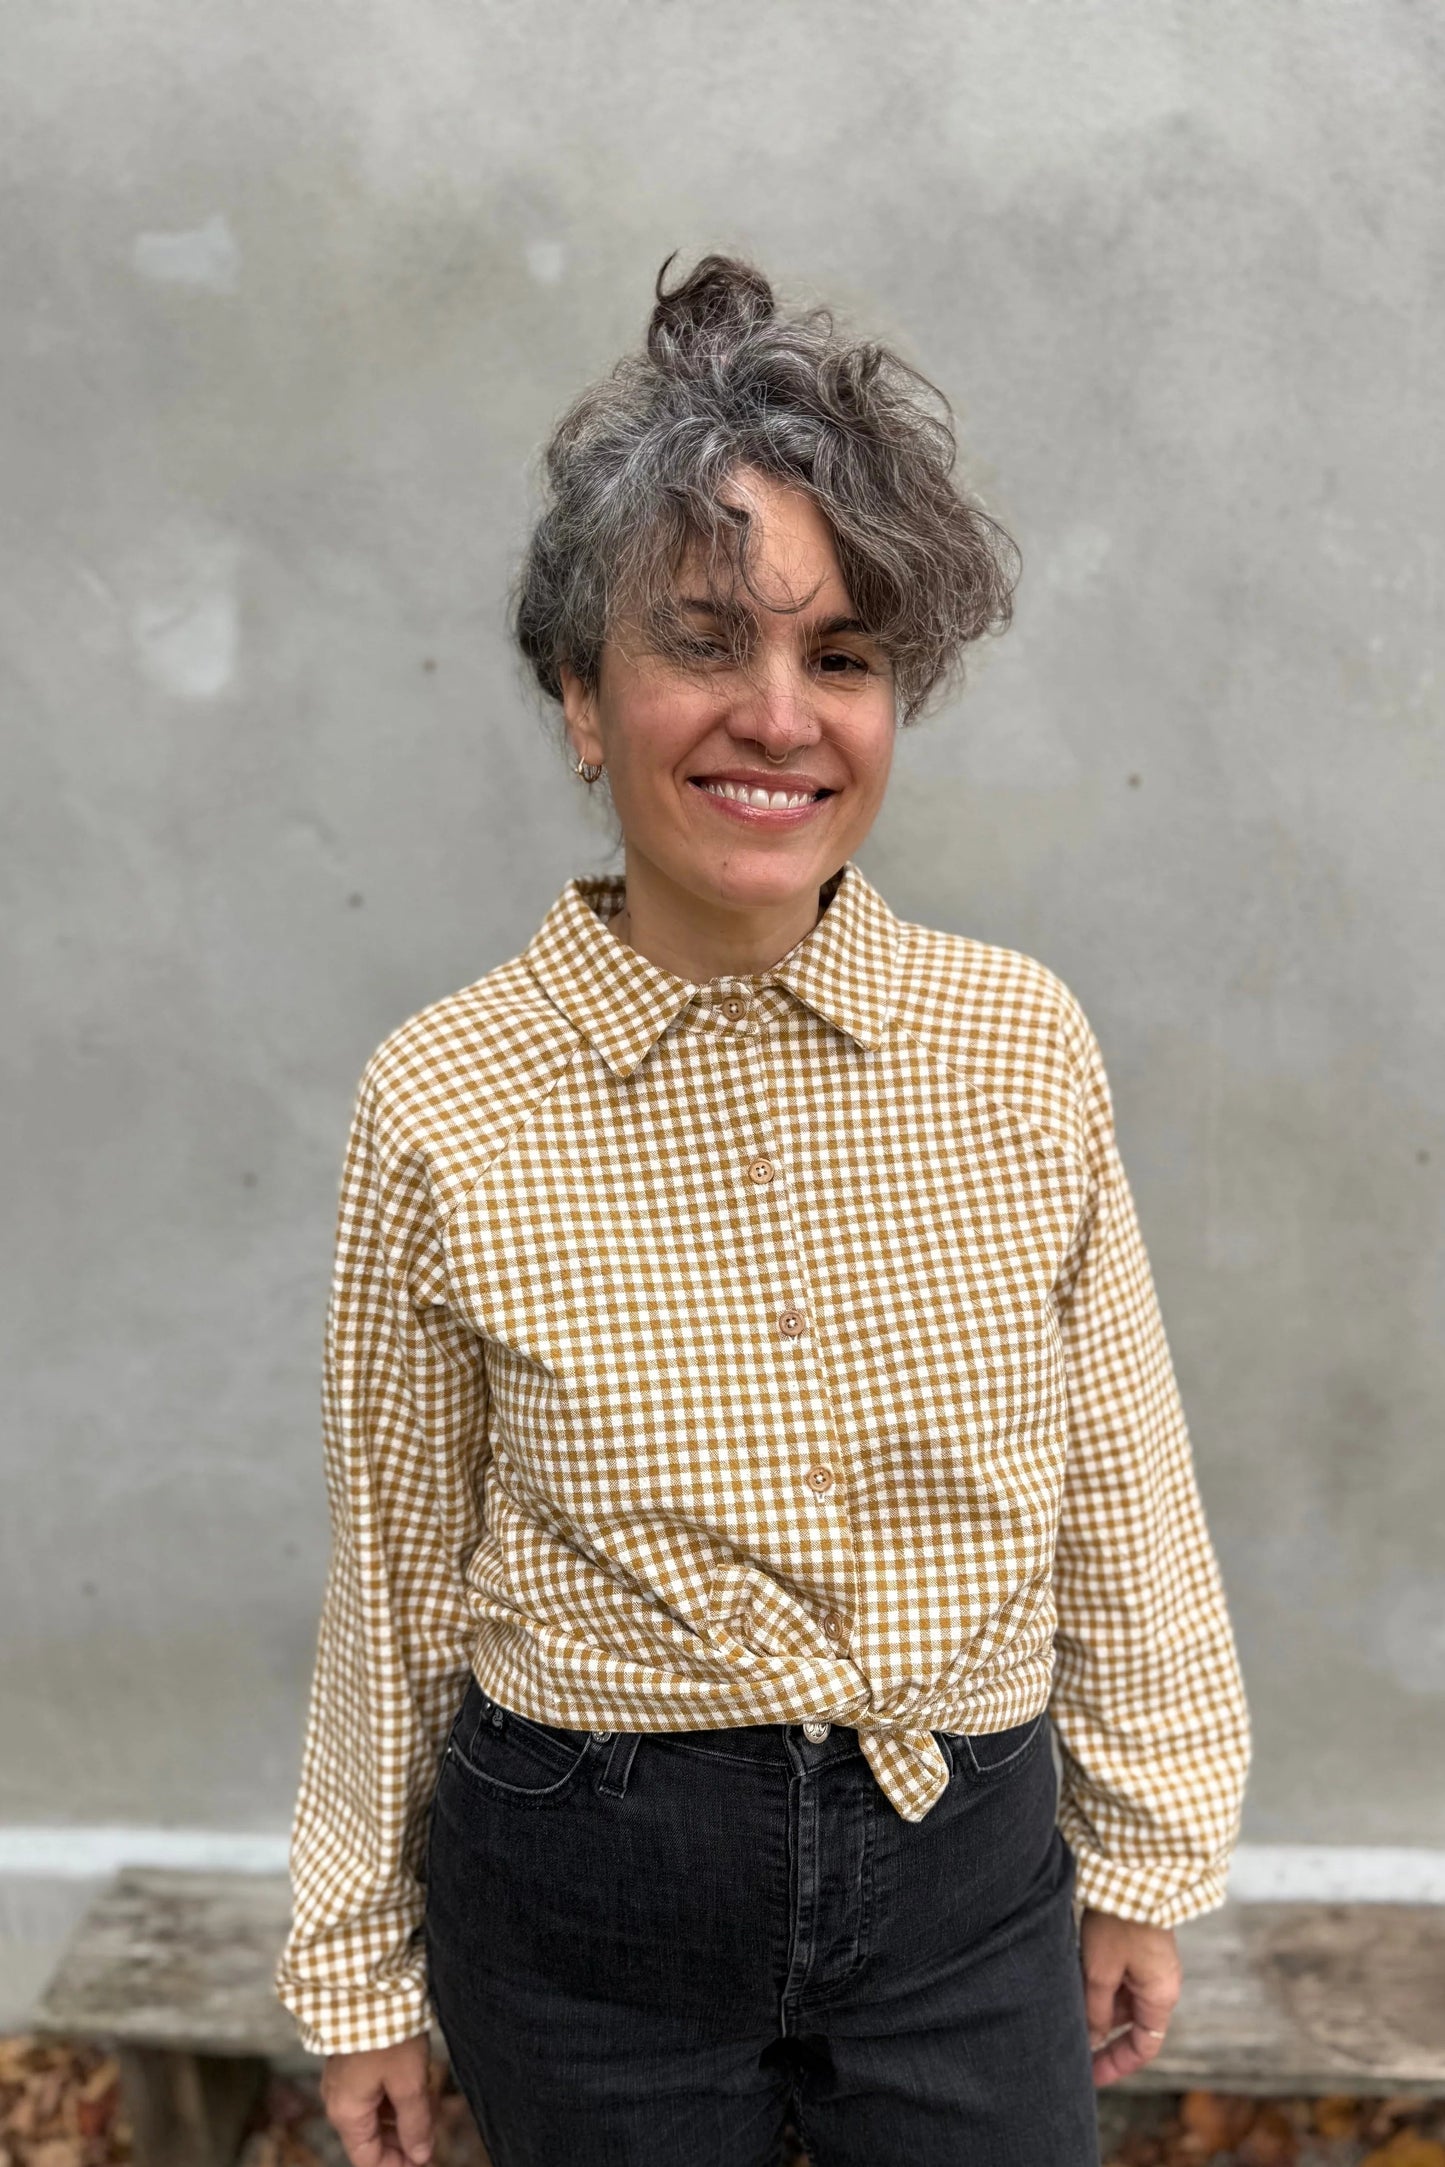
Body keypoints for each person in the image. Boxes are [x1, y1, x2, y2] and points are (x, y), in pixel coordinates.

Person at [275, 253, 1251, 2167]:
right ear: (578, 692)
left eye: (845, 658)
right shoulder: (443, 1100)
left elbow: (1122, 1476)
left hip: (966, 1885)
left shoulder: (1015, 1048)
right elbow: (392, 1577)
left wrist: (1141, 1848)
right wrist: (359, 1969)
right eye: (705, 642)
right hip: (581, 1916)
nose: (779, 717)